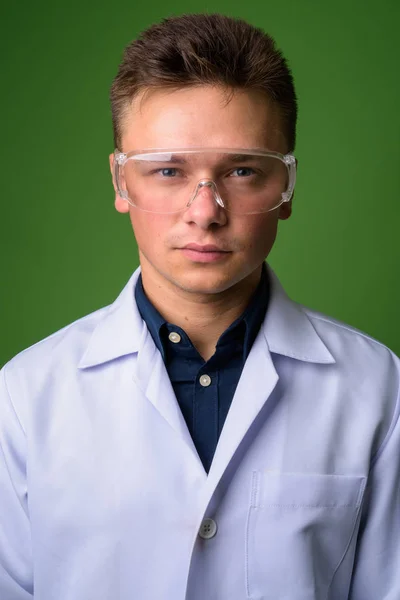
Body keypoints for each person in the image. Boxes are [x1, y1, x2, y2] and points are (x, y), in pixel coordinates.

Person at [0, 12, 399, 600]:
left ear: (286, 188)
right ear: (120, 183)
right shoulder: (25, 397)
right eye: (167, 170)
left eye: (242, 170)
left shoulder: (378, 389)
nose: (206, 210)